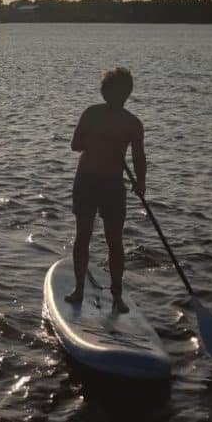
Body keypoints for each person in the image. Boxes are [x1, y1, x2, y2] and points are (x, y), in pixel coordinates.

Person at [65, 66, 146, 313]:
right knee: (83, 235)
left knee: (115, 240)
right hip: (87, 181)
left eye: (122, 92)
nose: (117, 96)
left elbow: (139, 156)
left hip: (113, 186)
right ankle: (79, 289)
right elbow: (75, 144)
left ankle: (117, 296)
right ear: (105, 92)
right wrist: (96, 141)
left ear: (127, 93)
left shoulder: (133, 123)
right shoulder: (91, 114)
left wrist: (140, 181)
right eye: (112, 91)